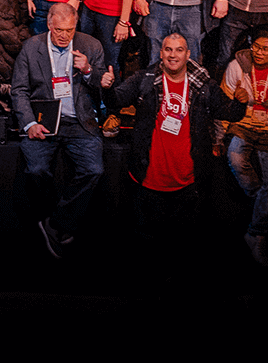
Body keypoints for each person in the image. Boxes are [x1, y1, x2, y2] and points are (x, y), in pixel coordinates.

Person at [102, 30, 246, 254]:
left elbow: (228, 113)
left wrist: (240, 103)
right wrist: (108, 87)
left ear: (188, 55)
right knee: (145, 240)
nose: (173, 55)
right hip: (148, 178)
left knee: (182, 241)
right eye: (168, 49)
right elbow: (116, 100)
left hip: (187, 181)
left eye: (179, 50)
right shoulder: (145, 79)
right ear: (161, 53)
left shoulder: (203, 84)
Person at [11, 2, 109, 258]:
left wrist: (88, 70)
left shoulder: (91, 46)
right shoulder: (31, 47)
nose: (65, 36)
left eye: (70, 30)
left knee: (94, 170)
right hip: (44, 121)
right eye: (59, 30)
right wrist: (30, 123)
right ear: (49, 25)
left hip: (79, 122)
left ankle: (55, 222)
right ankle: (55, 219)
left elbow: (103, 90)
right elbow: (19, 90)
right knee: (36, 169)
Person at [219, 28, 268, 264]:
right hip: (243, 123)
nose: (259, 52)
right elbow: (223, 103)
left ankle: (256, 234)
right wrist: (219, 137)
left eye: (266, 49)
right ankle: (262, 204)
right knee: (235, 157)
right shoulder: (237, 65)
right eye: (255, 46)